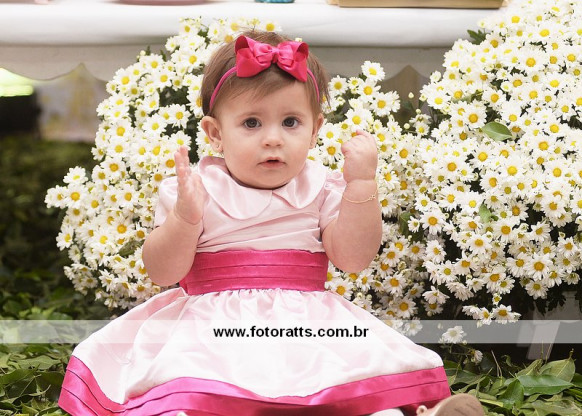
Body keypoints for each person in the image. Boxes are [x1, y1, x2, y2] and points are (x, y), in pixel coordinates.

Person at [58, 30, 484, 416]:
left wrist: (360, 185)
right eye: (251, 123)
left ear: (315, 130)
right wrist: (186, 218)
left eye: (291, 122)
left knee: (346, 385)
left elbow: (353, 259)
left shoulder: (320, 187)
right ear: (215, 133)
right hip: (211, 330)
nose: (273, 138)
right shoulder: (195, 189)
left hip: (309, 326)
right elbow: (162, 271)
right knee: (196, 390)